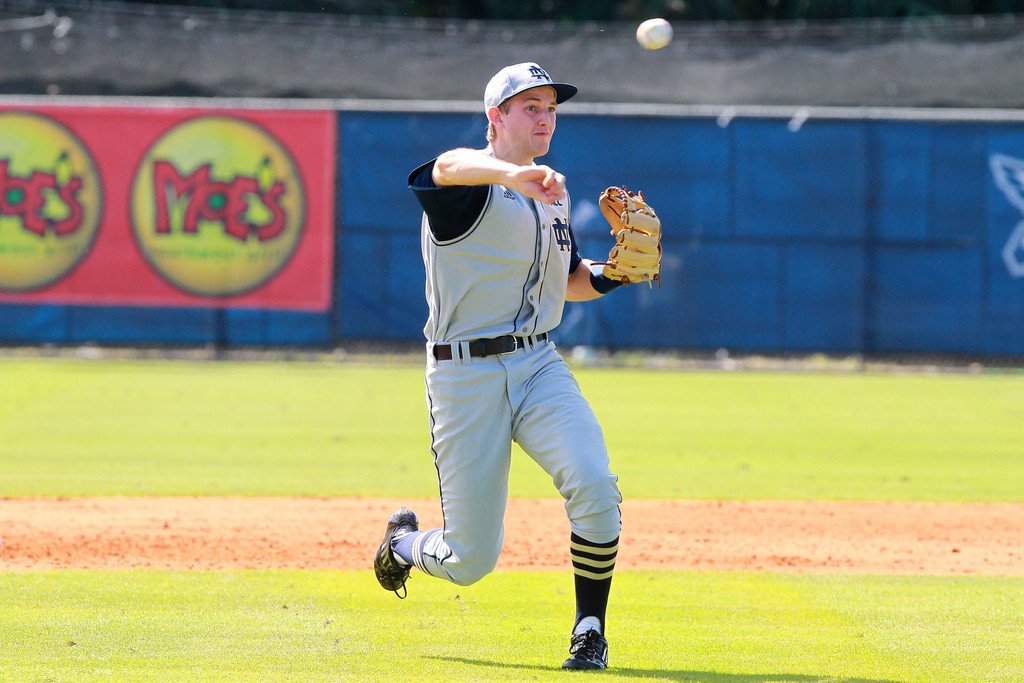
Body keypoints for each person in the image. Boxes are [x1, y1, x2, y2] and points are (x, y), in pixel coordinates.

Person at [374, 62, 630, 671]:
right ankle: (403, 545)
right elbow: (443, 167)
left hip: (538, 363)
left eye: (551, 109)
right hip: (465, 375)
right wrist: (513, 174)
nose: (545, 119)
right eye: (530, 107)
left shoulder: (554, 194)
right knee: (469, 561)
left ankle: (589, 631)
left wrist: (616, 273)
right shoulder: (470, 187)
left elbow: (569, 282)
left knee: (595, 485)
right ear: (496, 117)